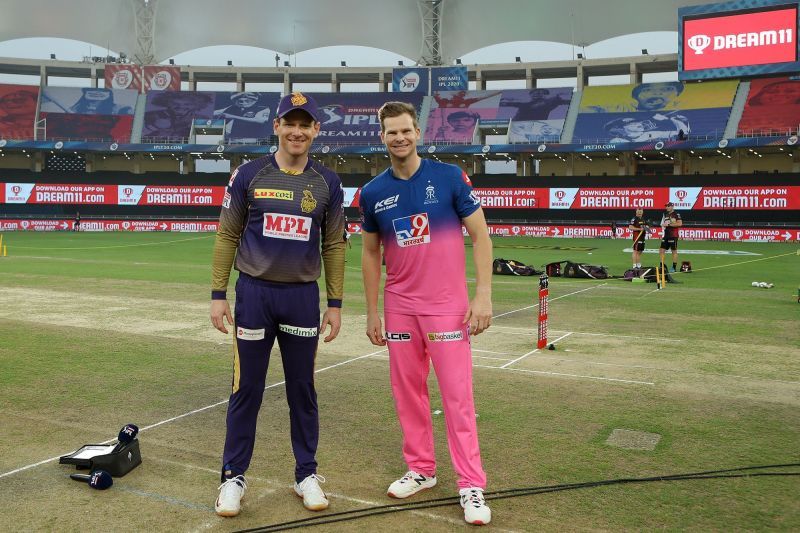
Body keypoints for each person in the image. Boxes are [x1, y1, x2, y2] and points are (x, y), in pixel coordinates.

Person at [209, 92, 346, 517]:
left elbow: (335, 243)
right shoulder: (248, 174)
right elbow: (228, 235)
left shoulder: (327, 183)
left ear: (316, 131)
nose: (297, 131)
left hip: (301, 298)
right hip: (254, 295)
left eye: (306, 124)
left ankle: (306, 474)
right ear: (277, 126)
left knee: (302, 390)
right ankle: (232, 477)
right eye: (291, 122)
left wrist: (335, 303)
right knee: (245, 388)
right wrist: (218, 295)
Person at [360, 101, 493, 525]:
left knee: (457, 397)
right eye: (391, 132)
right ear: (382, 137)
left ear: (418, 132)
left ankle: (471, 484)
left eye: (406, 130)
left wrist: (483, 295)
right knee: (407, 394)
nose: (399, 138)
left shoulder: (449, 177)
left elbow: (482, 236)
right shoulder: (374, 192)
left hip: (447, 308)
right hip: (400, 308)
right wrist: (372, 313)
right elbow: (369, 253)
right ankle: (421, 469)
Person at [142, 91, 215, 140]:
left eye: (187, 104)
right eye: (175, 104)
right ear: (167, 103)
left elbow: (204, 139)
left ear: (195, 105)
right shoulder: (152, 115)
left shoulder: (201, 119)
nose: (180, 107)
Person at [585, 82, 684, 113]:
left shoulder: (679, 114)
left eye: (666, 89)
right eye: (647, 90)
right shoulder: (617, 109)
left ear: (677, 94)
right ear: (635, 96)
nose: (656, 93)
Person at [605, 114, 690, 143]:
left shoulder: (651, 134)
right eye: (631, 123)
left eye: (637, 121)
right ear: (621, 128)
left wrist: (673, 119)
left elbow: (682, 134)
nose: (638, 124)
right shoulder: (617, 141)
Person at [499, 88, 571, 120]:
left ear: (544, 95)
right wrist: (505, 99)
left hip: (537, 126)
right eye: (535, 93)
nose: (538, 94)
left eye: (541, 93)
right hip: (518, 126)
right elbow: (501, 104)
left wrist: (558, 97)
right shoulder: (523, 103)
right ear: (531, 95)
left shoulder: (549, 101)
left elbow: (568, 102)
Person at [659, 202, 682, 273]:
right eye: (666, 206)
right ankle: (662, 266)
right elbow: (662, 224)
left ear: (672, 206)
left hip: (673, 235)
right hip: (666, 235)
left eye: (668, 206)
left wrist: (669, 224)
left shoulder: (676, 214)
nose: (667, 207)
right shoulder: (665, 214)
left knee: (673, 251)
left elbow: (680, 224)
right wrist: (663, 225)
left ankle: (674, 267)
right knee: (661, 250)